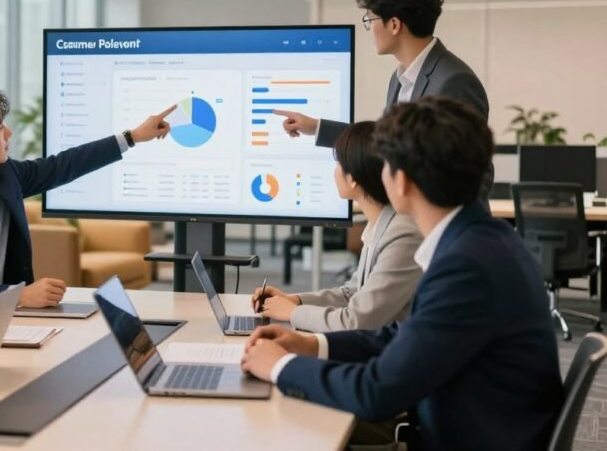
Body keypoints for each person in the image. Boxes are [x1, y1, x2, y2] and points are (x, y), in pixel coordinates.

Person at [239, 98, 563, 451]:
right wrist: (311, 344)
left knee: (282, 421)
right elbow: (403, 335)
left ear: (401, 180)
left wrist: (281, 366)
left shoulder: (466, 265)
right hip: (460, 423)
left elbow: (377, 391)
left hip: (458, 437)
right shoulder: (483, 240)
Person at [0, 85, 173, 306]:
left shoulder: (5, 175)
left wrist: (132, 136)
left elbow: (64, 165)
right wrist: (18, 295)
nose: (9, 133)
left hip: (11, 319)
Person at [273, 0, 491, 197]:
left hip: (436, 228)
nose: (370, 30)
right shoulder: (400, 78)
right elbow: (384, 145)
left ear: (394, 24)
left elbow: (474, 175)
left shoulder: (453, 81)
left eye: (370, 20)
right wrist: (316, 128)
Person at [250, 121, 422, 332]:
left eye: (339, 163)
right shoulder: (381, 224)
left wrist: (292, 313)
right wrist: (294, 300)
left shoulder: (402, 232)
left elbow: (357, 320)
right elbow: (352, 293)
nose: (335, 170)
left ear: (354, 179)